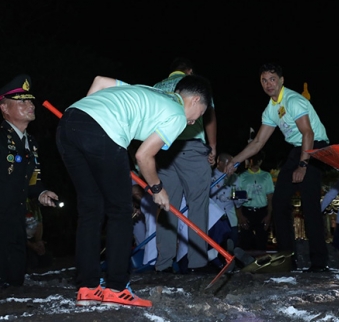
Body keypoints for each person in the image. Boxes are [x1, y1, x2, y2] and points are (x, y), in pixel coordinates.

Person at [56, 74, 211, 307]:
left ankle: (87, 288)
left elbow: (99, 81)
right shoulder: (177, 115)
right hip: (103, 132)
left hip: (69, 123)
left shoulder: (148, 90)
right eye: (201, 114)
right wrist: (157, 189)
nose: (196, 121)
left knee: (91, 209)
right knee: (120, 211)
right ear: (196, 100)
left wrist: (90, 117)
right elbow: (143, 155)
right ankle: (117, 288)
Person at [225, 63, 330, 272]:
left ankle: (319, 262)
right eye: (264, 80)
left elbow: (307, 133)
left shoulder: (293, 100)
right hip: (296, 148)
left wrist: (302, 165)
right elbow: (257, 143)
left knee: (310, 206)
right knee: (280, 203)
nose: (268, 84)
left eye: (272, 79)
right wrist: (234, 160)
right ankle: (287, 258)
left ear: (282, 80)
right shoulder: (271, 108)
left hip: (314, 149)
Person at [153, 57, 216, 273]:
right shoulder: (195, 84)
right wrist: (213, 147)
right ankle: (197, 264)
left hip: (162, 148)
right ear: (189, 71)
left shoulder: (157, 87)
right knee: (197, 203)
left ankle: (163, 265)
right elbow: (209, 116)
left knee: (166, 204)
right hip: (191, 147)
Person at [0, 74, 58, 288]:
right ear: (5, 108)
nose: (30, 105)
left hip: (16, 219)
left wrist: (41, 193)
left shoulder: (30, 142)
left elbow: (32, 177)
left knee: (15, 277)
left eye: (30, 100)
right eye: (22, 101)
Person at [236, 150, 275, 251]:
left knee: (261, 242)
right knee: (245, 242)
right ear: (250, 160)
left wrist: (268, 216)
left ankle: (261, 264)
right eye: (254, 160)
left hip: (262, 212)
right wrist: (240, 216)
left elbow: (270, 198)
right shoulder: (242, 176)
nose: (256, 163)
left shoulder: (266, 176)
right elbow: (238, 198)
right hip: (246, 211)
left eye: (259, 160)